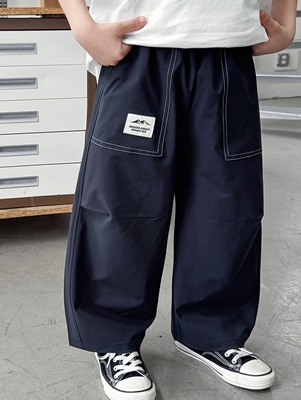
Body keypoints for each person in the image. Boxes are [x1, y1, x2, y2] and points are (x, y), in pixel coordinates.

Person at [58, 0, 297, 399]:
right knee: (122, 205)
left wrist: (287, 23)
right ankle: (114, 339)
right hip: (139, 47)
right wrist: (81, 24)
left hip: (228, 51)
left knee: (227, 206)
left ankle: (212, 333)